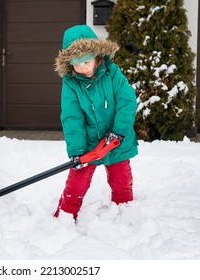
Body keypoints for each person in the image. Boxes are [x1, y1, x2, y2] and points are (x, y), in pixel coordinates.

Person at [53, 25, 138, 221]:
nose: (82, 67)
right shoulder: (70, 83)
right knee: (77, 181)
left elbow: (127, 101)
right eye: (76, 62)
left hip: (116, 138)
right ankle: (65, 216)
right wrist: (77, 150)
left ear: (97, 56)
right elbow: (72, 117)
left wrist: (119, 131)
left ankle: (124, 212)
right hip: (89, 143)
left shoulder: (113, 73)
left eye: (86, 61)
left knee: (121, 180)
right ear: (69, 63)